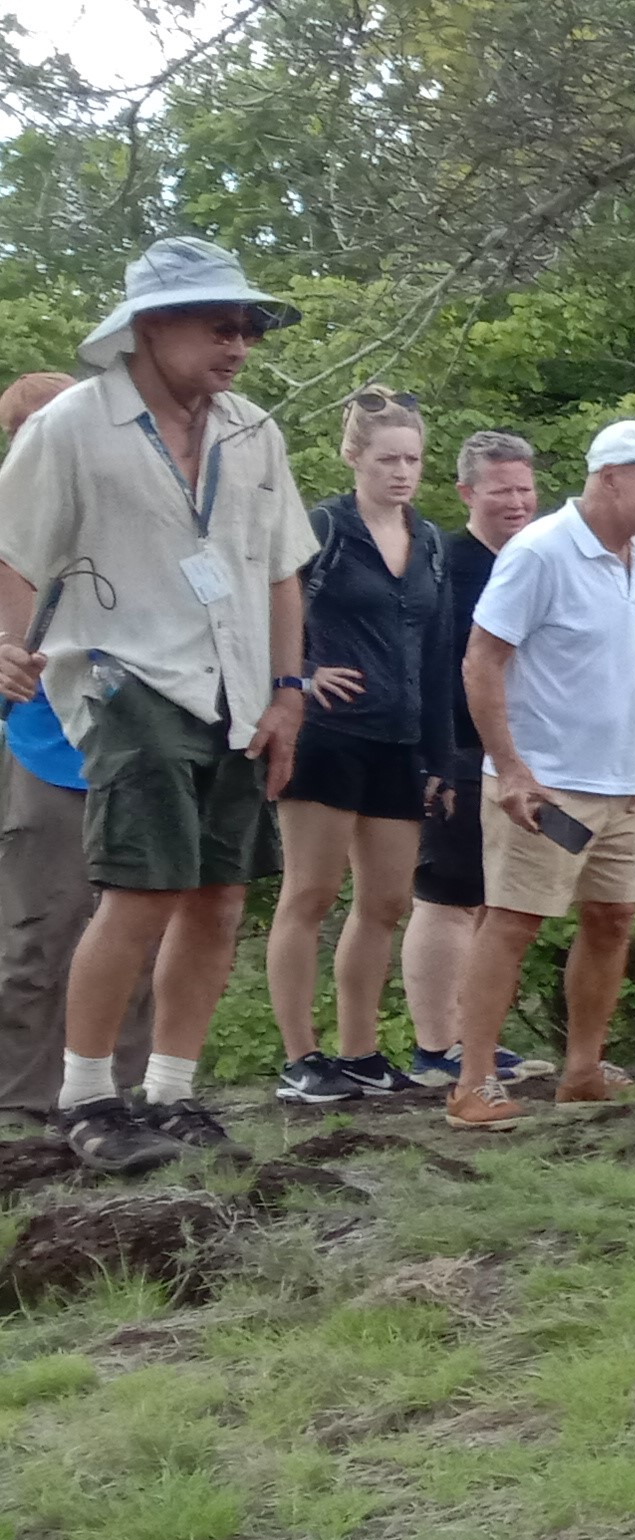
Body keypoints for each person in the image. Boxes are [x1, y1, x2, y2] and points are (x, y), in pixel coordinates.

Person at [0, 238, 320, 1174]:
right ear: (149, 326)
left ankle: (172, 1092)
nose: (240, 344)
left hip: (240, 687)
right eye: (221, 325)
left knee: (219, 893)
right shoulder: (69, 425)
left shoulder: (253, 431)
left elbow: (281, 570)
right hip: (122, 672)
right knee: (142, 889)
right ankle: (87, 1095)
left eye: (249, 327)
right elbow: (13, 549)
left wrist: (291, 691)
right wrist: (8, 644)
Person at [447, 420, 635, 1127]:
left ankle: (582, 1070)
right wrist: (511, 769)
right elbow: (481, 660)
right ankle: (472, 1082)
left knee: (615, 917)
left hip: (618, 779)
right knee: (515, 920)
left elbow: (630, 655)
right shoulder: (540, 551)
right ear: (612, 476)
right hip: (547, 780)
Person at [265, 389, 442, 1101]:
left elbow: (439, 648)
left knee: (388, 901)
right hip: (327, 734)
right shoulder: (323, 528)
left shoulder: (428, 538)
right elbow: (266, 609)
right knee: (309, 892)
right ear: (354, 458)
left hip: (400, 740)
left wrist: (442, 753)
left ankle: (361, 1052)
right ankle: (301, 1057)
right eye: (387, 458)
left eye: (413, 459)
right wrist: (301, 677)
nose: (401, 472)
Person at [0, 372, 146, 1131]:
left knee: (133, 925)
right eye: (29, 431)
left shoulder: (122, 523)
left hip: (129, 744)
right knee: (38, 931)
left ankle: (122, 1087)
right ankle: (21, 1099)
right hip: (38, 751)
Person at [400, 430, 550, 1093]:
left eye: (524, 488)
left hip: (525, 754)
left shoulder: (543, 559)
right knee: (447, 897)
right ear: (467, 492)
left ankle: (475, 1037)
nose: (516, 502)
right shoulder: (442, 562)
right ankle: (437, 1045)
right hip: (454, 746)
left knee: (499, 900)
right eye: (501, 490)